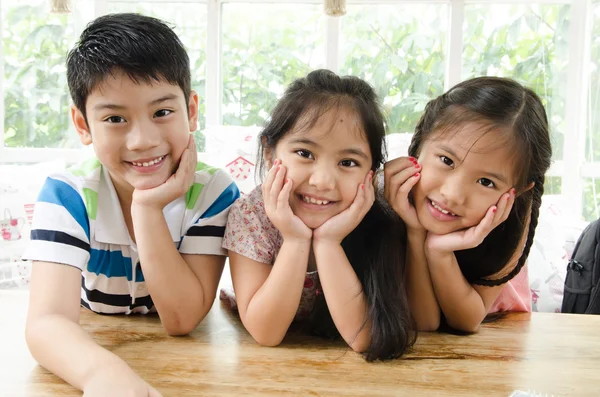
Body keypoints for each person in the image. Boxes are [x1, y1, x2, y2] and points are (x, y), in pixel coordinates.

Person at [23, 13, 239, 395]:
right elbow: (47, 322)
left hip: (186, 364)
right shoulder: (67, 194)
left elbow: (181, 319)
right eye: (115, 118)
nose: (142, 140)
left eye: (162, 112)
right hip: (90, 341)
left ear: (191, 111)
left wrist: (147, 209)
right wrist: (102, 375)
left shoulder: (213, 192)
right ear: (83, 124)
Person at [220, 69, 414, 362]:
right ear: (271, 153)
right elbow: (266, 333)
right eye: (305, 154)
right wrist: (295, 238)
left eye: (348, 162)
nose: (323, 181)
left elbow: (363, 338)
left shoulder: (379, 217)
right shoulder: (251, 216)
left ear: (371, 174)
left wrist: (328, 242)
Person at [384, 76, 552, 332]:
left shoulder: (513, 220)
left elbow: (466, 321)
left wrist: (439, 252)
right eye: (447, 161)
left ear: (516, 192)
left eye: (485, 182)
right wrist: (416, 234)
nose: (452, 194)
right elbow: (425, 323)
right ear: (419, 143)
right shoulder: (390, 192)